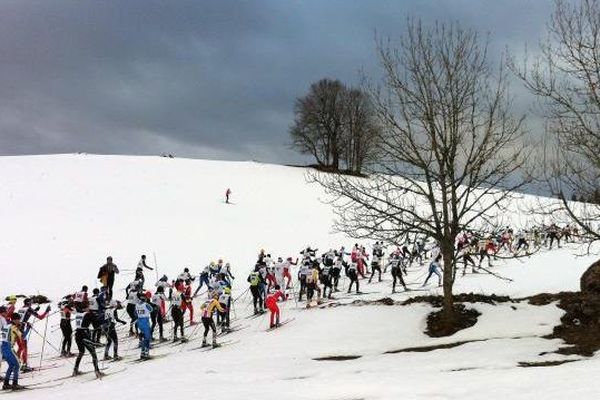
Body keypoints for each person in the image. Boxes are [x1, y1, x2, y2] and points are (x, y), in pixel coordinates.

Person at [17, 298, 50, 372]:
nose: (32, 303)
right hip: (21, 329)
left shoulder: (21, 308)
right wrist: (46, 311)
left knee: (20, 347)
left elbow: (24, 316)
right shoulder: (29, 308)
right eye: (31, 302)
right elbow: (40, 317)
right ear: (28, 303)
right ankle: (24, 365)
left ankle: (17, 363)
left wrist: (35, 310)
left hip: (16, 329)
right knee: (24, 347)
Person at [72, 303, 103, 378]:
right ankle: (97, 372)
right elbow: (96, 325)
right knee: (93, 353)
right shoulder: (88, 314)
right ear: (85, 308)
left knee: (81, 352)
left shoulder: (78, 314)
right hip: (85, 334)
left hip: (77, 334)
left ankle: (75, 370)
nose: (89, 308)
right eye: (88, 307)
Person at [1, 312, 24, 390]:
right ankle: (15, 384)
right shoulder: (14, 327)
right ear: (15, 320)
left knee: (11, 365)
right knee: (17, 365)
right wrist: (24, 328)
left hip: (3, 348)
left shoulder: (6, 325)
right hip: (8, 347)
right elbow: (21, 336)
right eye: (18, 320)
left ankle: (6, 384)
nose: (19, 321)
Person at [135, 292, 153, 360]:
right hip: (145, 321)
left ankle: (142, 352)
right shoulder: (146, 304)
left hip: (139, 321)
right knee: (147, 338)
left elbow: (135, 313)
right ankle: (146, 353)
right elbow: (151, 309)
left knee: (142, 337)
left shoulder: (136, 305)